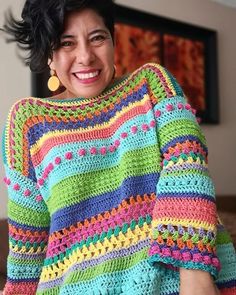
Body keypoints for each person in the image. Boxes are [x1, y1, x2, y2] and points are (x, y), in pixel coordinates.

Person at [1, 0, 236, 294]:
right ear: (48, 54)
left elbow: (187, 168)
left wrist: (195, 275)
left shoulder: (152, 85)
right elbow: (28, 244)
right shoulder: (27, 123)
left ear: (112, 41)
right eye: (66, 43)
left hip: (177, 281)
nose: (85, 56)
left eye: (97, 37)